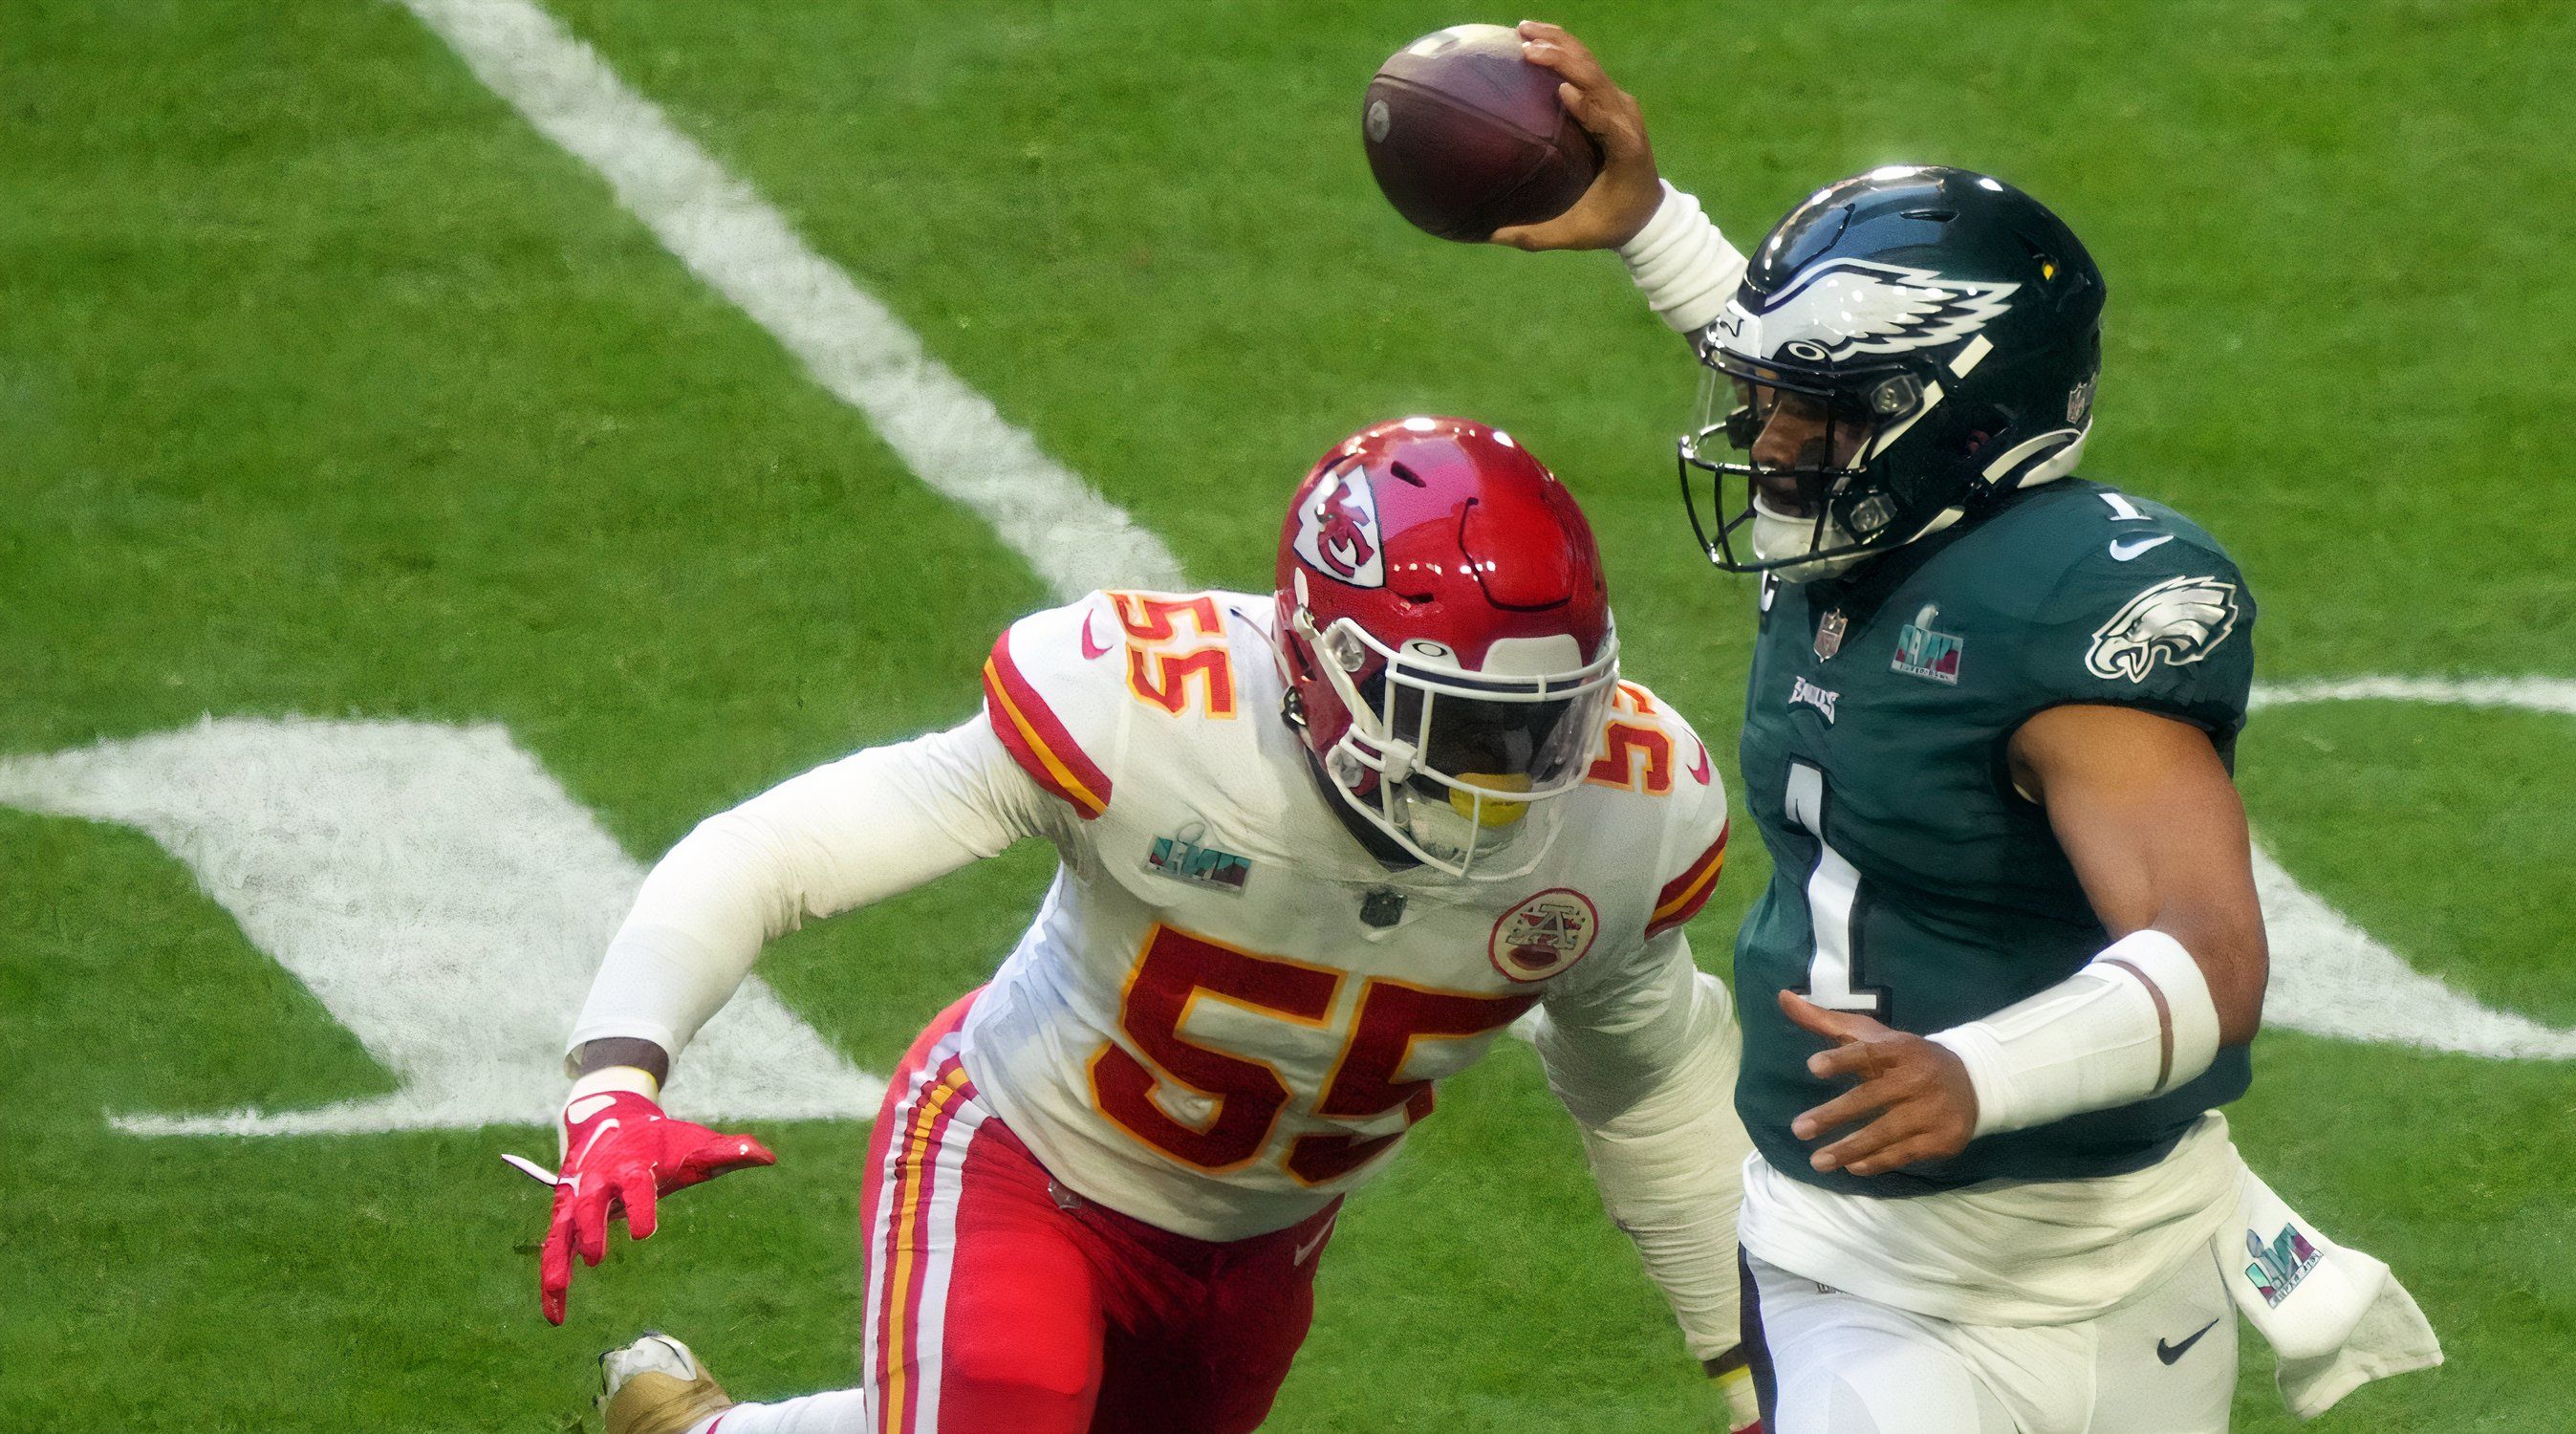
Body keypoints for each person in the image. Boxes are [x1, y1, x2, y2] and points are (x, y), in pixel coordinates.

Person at [1483, 23, 2437, 1434]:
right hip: (1862, 1270)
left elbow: (2212, 955)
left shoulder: (2065, 611)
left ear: (1947, 421)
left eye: (1815, 410)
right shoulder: (1864, 513)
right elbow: (1826, 376)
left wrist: (1975, 1072)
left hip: (2131, 1252)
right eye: (1773, 396)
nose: (1768, 437)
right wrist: (1654, 226)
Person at [534, 416, 1767, 1434]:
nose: (1510, 775)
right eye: (1454, 720)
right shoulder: (1149, 711)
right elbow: (779, 852)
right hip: (1026, 1156)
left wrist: (1757, 1371)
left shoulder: (1627, 816)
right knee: (1006, 1408)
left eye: (1548, 723)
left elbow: (1647, 1087)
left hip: (1260, 1245)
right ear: (1318, 662)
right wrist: (616, 1074)